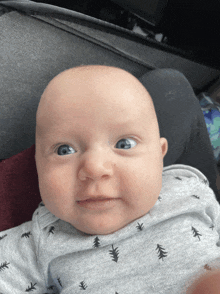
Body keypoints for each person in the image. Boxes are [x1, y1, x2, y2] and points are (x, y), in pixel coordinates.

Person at [0, 65, 220, 293]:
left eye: (125, 144)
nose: (94, 168)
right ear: (38, 165)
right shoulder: (38, 240)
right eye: (64, 150)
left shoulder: (186, 186)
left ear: (160, 155)